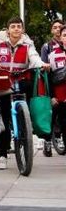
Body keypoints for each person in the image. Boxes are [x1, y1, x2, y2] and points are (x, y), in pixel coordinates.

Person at [0, 16, 48, 170]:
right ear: (8, 29)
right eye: (13, 26)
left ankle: (26, 132)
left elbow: (34, 58)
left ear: (22, 29)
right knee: (3, 119)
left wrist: (42, 64)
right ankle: (2, 154)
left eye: (19, 26)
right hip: (2, 83)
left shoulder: (28, 44)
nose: (16, 29)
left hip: (22, 82)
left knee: (26, 112)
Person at [47, 25, 66, 157]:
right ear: (61, 38)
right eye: (65, 35)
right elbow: (49, 78)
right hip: (61, 98)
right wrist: (52, 97)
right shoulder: (53, 56)